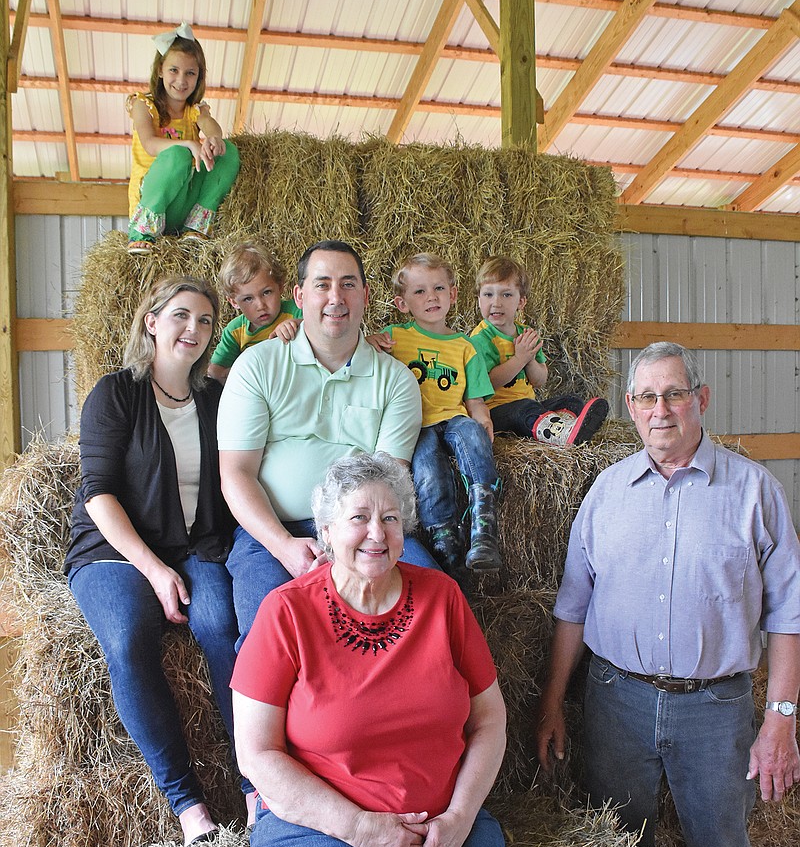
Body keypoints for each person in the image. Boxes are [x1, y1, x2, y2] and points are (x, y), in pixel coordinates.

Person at [536, 341, 800, 847]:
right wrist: (554, 702)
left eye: (674, 394)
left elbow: (789, 613)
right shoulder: (606, 492)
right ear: (629, 409)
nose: (661, 409)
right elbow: (572, 607)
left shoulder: (752, 491)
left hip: (715, 710)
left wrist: (780, 720)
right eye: (647, 398)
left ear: (701, 400)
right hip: (616, 701)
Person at [231, 452, 525, 847]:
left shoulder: (441, 598)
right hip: (321, 824)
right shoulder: (286, 613)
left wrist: (461, 818)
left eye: (392, 518)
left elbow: (490, 718)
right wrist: (363, 829)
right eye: (359, 516)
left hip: (441, 817)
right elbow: (256, 755)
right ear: (327, 530)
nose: (376, 532)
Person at [65, 276, 255, 844]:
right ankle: (186, 802)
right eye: (181, 316)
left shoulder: (213, 401)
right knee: (127, 636)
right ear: (152, 321)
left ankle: (255, 784)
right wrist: (154, 570)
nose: (193, 330)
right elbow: (98, 493)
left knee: (223, 624)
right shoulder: (116, 393)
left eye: (204, 321)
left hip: (194, 544)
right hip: (113, 552)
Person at [217, 239, 438, 646]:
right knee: (265, 637)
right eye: (322, 285)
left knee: (429, 615)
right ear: (299, 296)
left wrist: (347, 547)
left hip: (365, 530)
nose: (335, 297)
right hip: (271, 531)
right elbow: (236, 473)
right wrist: (284, 547)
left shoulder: (396, 381)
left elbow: (388, 484)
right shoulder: (257, 366)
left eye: (348, 284)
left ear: (366, 296)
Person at [371, 252, 501, 573]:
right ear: (402, 304)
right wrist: (370, 343)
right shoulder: (395, 337)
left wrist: (483, 418)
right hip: (417, 425)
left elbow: (475, 402)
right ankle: (443, 538)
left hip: (453, 418)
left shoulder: (465, 346)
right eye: (419, 291)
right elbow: (363, 363)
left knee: (471, 432)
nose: (431, 297)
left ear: (453, 294)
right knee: (427, 466)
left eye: (439, 288)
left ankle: (484, 519)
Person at [127, 22, 240, 253]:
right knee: (178, 155)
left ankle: (196, 225)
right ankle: (142, 231)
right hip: (153, 199)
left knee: (228, 150)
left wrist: (214, 139)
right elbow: (149, 144)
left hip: (182, 203)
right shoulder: (143, 104)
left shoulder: (194, 110)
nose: (181, 80)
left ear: (199, 78)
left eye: (190, 73)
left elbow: (210, 126)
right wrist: (188, 143)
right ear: (160, 70)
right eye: (173, 70)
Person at [471, 256, 607, 445]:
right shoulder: (480, 339)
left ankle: (564, 430)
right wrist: (519, 358)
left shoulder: (526, 335)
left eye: (506, 295)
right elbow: (487, 383)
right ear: (478, 300)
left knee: (571, 401)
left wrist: (529, 360)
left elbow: (539, 380)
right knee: (523, 409)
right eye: (488, 294)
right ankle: (559, 432)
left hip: (528, 406)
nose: (496, 302)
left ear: (521, 302)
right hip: (496, 413)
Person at [208, 238, 301, 383]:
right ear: (233, 302)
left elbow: (321, 329)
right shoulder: (235, 331)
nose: (260, 305)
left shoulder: (296, 311)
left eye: (267, 292)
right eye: (248, 299)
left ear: (280, 286)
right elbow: (215, 371)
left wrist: (298, 324)